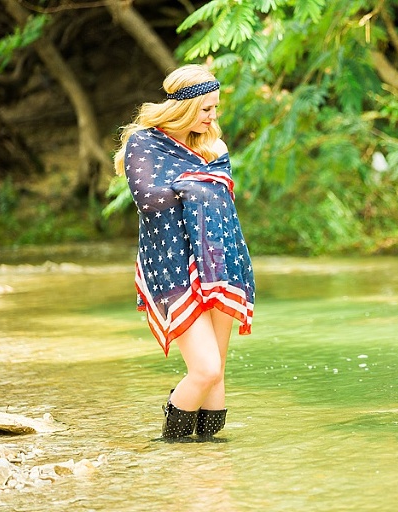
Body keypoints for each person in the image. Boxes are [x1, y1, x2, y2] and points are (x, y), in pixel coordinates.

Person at [113, 64, 255, 441]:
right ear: (185, 107)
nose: (213, 118)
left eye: (215, 109)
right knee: (205, 369)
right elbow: (151, 200)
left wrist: (202, 180)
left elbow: (224, 205)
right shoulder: (144, 143)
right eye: (206, 109)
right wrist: (198, 181)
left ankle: (208, 466)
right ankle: (171, 449)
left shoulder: (214, 147)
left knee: (218, 373)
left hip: (220, 261)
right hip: (173, 264)